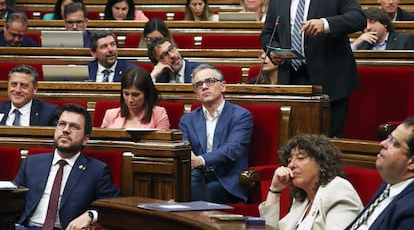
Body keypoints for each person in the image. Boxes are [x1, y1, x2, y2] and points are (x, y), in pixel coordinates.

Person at [260, 0, 366, 138]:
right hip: (291, 78)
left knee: (327, 144)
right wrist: (273, 51)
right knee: (294, 140)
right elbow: (267, 33)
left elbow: (358, 19)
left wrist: (326, 24)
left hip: (330, 80)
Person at [13, 103, 120, 230]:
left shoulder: (97, 170)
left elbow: (113, 207)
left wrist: (90, 215)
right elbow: (12, 198)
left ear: (86, 139)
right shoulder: (32, 163)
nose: (65, 130)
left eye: (74, 127)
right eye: (62, 124)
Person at [179, 64, 253, 203]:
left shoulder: (241, 116)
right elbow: (184, 146)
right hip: (197, 175)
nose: (204, 87)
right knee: (185, 183)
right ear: (196, 94)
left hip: (226, 179)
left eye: (210, 81)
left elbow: (233, 149)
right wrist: (190, 158)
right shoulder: (187, 119)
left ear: (223, 86)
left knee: (202, 191)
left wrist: (200, 160)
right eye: (199, 84)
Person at [259, 134, 363, 229]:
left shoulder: (338, 189)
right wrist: (275, 190)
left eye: (300, 158)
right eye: (289, 160)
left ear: (322, 164)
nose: (291, 165)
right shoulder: (302, 200)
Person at [345, 118, 414, 230]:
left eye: (394, 143)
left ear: (412, 162)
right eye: (389, 138)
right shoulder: (390, 183)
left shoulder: (411, 210)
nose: (383, 143)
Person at [101, 67, 170, 129]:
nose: (130, 100)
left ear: (146, 93)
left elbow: (162, 142)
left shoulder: (159, 114)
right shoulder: (110, 115)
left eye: (135, 95)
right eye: (126, 94)